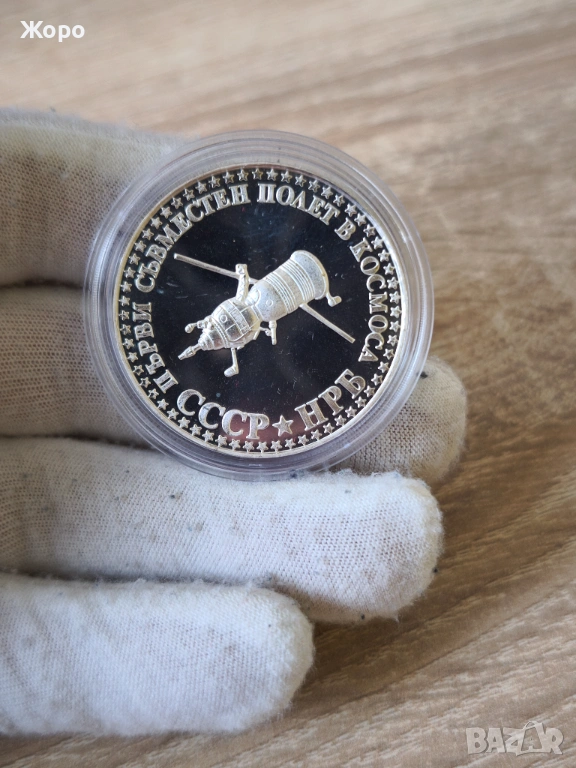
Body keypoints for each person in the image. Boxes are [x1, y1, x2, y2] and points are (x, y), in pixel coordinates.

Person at [0, 109, 466, 735]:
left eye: (217, 331)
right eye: (215, 331)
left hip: (289, 283)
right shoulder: (239, 321)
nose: (215, 333)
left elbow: (251, 310)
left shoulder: (253, 311)